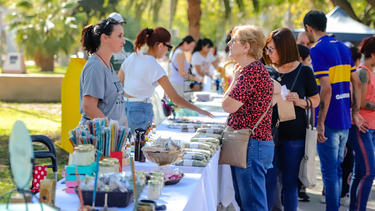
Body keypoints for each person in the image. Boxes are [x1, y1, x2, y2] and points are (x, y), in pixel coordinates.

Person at [303, 10, 368, 211]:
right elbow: (356, 82)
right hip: (344, 118)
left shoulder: (316, 50)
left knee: (330, 173)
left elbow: (327, 88)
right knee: (337, 171)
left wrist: (320, 122)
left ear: (309, 28)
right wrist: (355, 112)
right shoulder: (343, 47)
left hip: (329, 121)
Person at [221, 24, 281, 211]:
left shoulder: (251, 71)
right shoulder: (254, 70)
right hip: (252, 142)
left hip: (251, 144)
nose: (230, 44)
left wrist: (234, 81)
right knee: (249, 203)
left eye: (234, 40)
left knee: (253, 205)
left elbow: (227, 105)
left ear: (246, 47)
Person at [263, 28, 320, 211]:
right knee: (269, 182)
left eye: (272, 49)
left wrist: (300, 101)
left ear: (284, 47)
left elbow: (316, 100)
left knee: (289, 183)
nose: (268, 53)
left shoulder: (304, 72)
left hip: (294, 137)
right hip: (267, 135)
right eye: (267, 49)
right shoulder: (266, 71)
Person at [118, 27, 214, 134]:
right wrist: (199, 110)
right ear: (160, 46)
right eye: (168, 47)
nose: (168, 51)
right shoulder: (155, 66)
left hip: (124, 108)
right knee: (140, 147)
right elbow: (176, 99)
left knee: (128, 146)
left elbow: (118, 83)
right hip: (140, 110)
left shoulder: (132, 56)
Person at [79, 18, 127, 126]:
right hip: (99, 137)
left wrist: (125, 131)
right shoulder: (95, 66)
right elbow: (89, 107)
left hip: (114, 137)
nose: (123, 41)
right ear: (105, 38)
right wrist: (113, 130)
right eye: (119, 36)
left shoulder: (108, 65)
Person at [347, 37, 375, 211]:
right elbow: (361, 102)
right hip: (360, 127)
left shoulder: (369, 72)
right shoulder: (362, 72)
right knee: (368, 173)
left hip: (369, 128)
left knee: (360, 173)